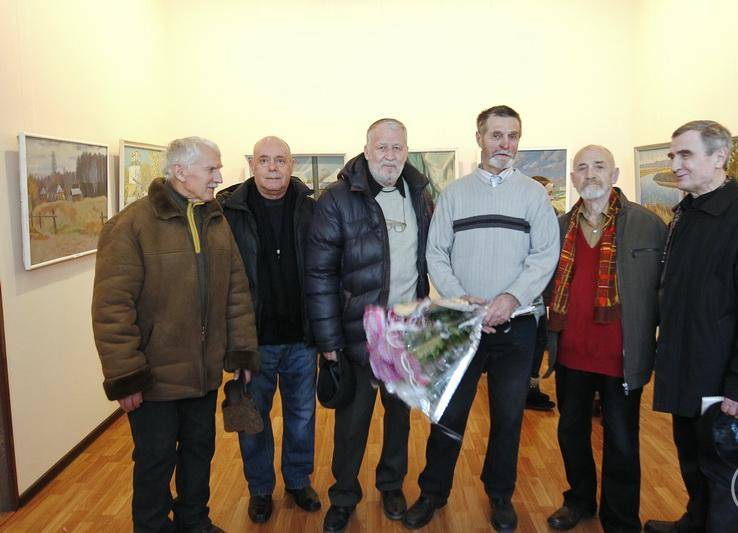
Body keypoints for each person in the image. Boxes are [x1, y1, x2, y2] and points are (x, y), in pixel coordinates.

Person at [404, 105, 560, 531]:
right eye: (496, 135)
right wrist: (461, 298)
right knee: (449, 415)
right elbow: (436, 252)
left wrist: (510, 298)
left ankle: (500, 494)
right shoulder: (455, 194)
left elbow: (545, 254)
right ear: (480, 138)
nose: (505, 144)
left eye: (513, 136)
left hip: (516, 326)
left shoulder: (534, 195)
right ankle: (433, 492)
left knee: (508, 418)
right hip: (463, 323)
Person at [91, 137, 259, 533]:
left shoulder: (215, 220)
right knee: (156, 459)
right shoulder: (130, 226)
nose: (219, 177)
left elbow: (236, 292)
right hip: (155, 379)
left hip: (203, 374)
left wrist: (241, 352)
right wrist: (126, 377)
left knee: (199, 451)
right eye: (212, 169)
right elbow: (112, 310)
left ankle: (194, 521)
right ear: (180, 171)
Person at [644, 120, 738, 533]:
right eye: (672, 155)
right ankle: (696, 523)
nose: (674, 164)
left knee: (730, 485)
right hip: (686, 372)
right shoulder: (686, 216)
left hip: (726, 385)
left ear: (719, 158)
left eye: (685, 154)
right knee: (693, 465)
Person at [305, 118, 433, 533]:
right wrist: (328, 341)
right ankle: (343, 495)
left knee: (398, 419)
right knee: (352, 423)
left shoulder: (420, 194)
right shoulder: (337, 200)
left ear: (406, 151)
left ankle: (391, 485)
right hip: (357, 333)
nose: (390, 156)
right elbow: (319, 275)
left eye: (398, 148)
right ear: (366, 149)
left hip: (404, 332)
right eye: (382, 147)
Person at [544, 145, 666, 532]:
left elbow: (664, 292)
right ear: (573, 178)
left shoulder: (648, 225)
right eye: (582, 168)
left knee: (623, 441)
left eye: (599, 166)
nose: (590, 173)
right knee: (571, 433)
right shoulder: (559, 227)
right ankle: (579, 500)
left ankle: (620, 518)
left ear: (614, 175)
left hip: (621, 358)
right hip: (570, 354)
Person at [218, 136, 320, 524]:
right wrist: (233, 341)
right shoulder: (229, 211)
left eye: (280, 160)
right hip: (253, 340)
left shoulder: (310, 208)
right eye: (264, 160)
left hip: (301, 338)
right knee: (252, 419)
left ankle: (298, 480)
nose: (273, 167)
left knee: (302, 418)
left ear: (291, 165)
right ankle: (260, 489)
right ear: (252, 165)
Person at [526, 175, 557, 411]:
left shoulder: (548, 217)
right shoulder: (530, 217)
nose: (551, 197)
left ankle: (532, 389)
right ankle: (528, 391)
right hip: (527, 298)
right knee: (534, 345)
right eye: (548, 192)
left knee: (539, 343)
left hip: (538, 297)